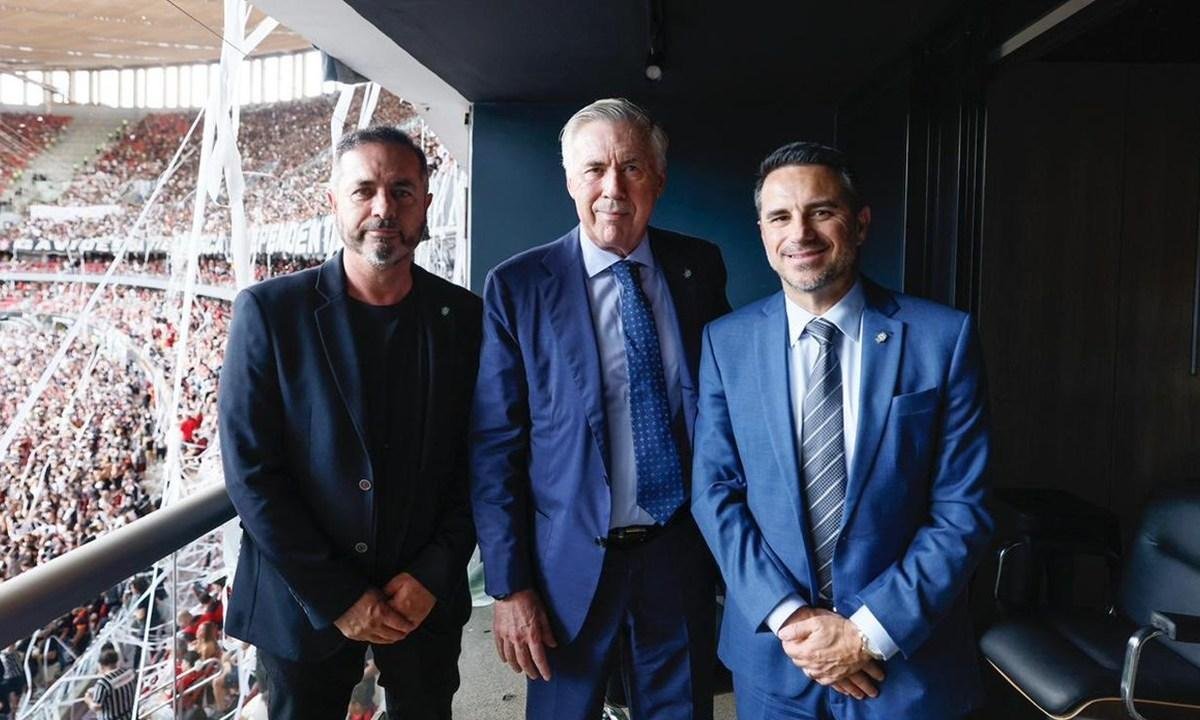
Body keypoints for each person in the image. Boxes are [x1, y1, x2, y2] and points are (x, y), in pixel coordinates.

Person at [690, 141, 993, 720]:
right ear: (762, 233)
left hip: (906, 663)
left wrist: (867, 633)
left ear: (859, 224)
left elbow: (963, 509)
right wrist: (793, 619)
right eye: (780, 216)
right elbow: (715, 493)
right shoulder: (725, 344)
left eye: (821, 211)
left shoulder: (943, 339)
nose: (799, 232)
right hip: (778, 661)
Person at [470, 98, 731, 719]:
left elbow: (722, 412)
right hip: (567, 568)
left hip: (677, 551)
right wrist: (509, 586)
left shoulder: (698, 267)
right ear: (569, 182)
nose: (612, 187)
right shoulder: (519, 285)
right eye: (594, 170)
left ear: (659, 180)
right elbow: (495, 449)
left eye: (632, 168)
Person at [219, 125, 481, 719]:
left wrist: (434, 573)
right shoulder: (269, 312)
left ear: (425, 205)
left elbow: (480, 462)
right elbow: (251, 473)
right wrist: (339, 596)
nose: (384, 208)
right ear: (334, 202)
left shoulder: (464, 318)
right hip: (301, 603)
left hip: (423, 601)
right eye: (364, 190)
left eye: (402, 190)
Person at [84, 645, 135, 720]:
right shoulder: (129, 672)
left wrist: (88, 699)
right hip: (130, 715)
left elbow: (96, 707)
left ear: (101, 665)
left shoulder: (103, 683)